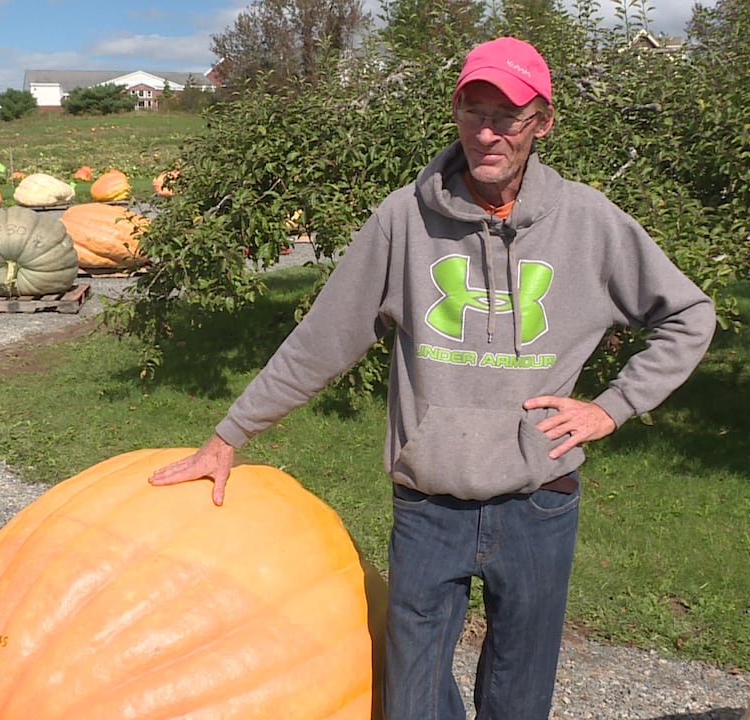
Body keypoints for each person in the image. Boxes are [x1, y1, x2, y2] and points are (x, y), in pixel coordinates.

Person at [149, 36, 716, 720]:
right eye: (473, 110)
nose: (487, 132)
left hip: (539, 501)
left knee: (519, 700)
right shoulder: (402, 220)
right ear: (454, 113)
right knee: (412, 702)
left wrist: (614, 407)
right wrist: (230, 434)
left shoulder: (589, 222)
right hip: (428, 504)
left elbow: (688, 313)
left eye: (507, 116)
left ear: (542, 121)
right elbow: (322, 341)